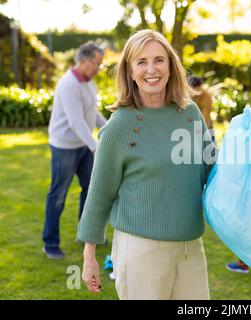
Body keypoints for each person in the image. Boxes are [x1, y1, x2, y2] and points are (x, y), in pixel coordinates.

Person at [77, 29, 216, 300]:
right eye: (141, 62)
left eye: (159, 60)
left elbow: (211, 168)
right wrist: (89, 256)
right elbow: (99, 194)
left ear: (171, 65)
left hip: (190, 247)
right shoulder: (120, 126)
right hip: (141, 250)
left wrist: (248, 152)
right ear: (129, 71)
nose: (151, 69)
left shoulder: (189, 114)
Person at [42, 42, 106, 260]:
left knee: (90, 190)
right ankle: (50, 243)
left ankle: (84, 234)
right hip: (65, 147)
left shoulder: (89, 83)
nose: (99, 68)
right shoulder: (68, 85)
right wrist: (97, 147)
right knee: (58, 195)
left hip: (83, 146)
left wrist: (109, 129)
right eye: (96, 63)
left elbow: (92, 114)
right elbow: (76, 122)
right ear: (85, 61)